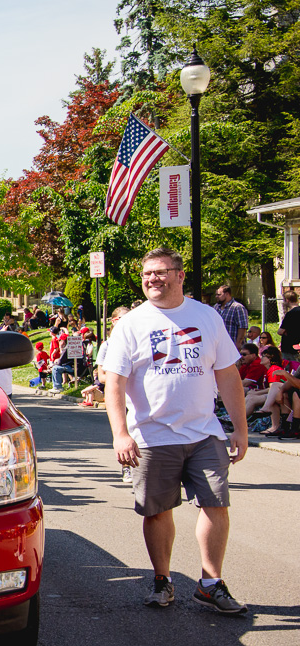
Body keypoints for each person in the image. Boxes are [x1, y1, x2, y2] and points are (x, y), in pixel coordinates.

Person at [102, 247, 248, 614]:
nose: (153, 279)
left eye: (161, 272)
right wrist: (121, 434)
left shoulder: (206, 316)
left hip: (204, 433)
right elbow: (114, 383)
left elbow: (228, 376)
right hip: (152, 436)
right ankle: (162, 579)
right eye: (147, 274)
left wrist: (240, 430)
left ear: (180, 276)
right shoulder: (131, 324)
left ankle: (211, 583)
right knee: (157, 511)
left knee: (216, 503)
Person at [278, 291, 300, 357]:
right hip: (298, 345)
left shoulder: (290, 314)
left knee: (290, 366)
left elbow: (280, 331)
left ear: (287, 300)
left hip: (289, 347)